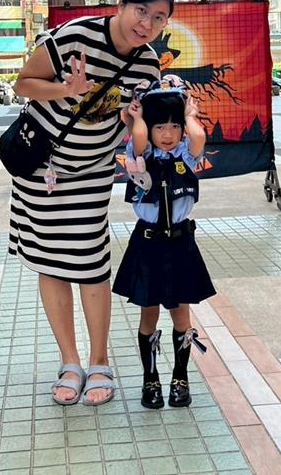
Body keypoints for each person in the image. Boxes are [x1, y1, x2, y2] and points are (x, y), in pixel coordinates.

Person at [10, 0, 171, 406]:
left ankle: (99, 361)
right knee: (50, 260)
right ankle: (70, 362)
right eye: (141, 11)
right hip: (41, 165)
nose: (147, 24)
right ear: (122, 5)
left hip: (93, 170)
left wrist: (135, 122)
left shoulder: (148, 65)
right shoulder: (75, 36)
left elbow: (132, 129)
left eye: (158, 17)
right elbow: (23, 83)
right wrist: (65, 88)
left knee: (90, 260)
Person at [112, 77, 215, 409]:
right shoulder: (141, 155)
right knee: (149, 314)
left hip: (181, 243)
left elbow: (197, 138)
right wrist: (138, 118)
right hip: (148, 244)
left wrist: (190, 115)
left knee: (181, 315)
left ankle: (180, 378)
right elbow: (139, 138)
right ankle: (150, 378)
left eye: (174, 126)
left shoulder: (186, 153)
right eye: (160, 127)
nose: (168, 134)